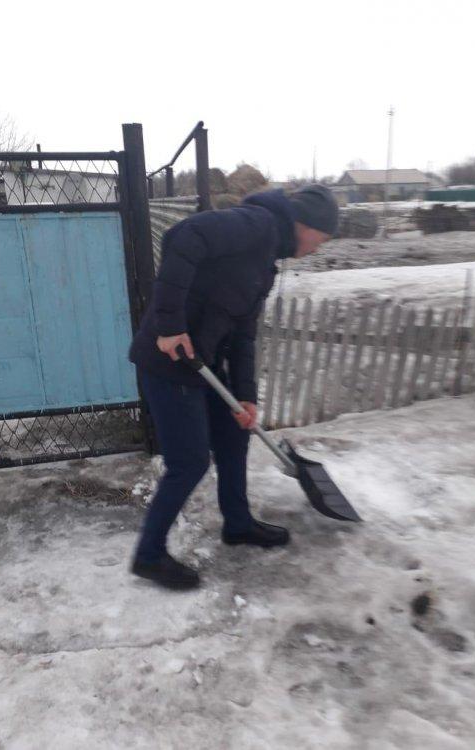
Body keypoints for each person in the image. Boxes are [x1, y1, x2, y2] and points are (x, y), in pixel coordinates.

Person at [128, 184, 338, 590]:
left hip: (201, 361)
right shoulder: (256, 224)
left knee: (233, 432)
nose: (319, 247)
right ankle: (148, 556)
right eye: (322, 238)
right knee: (189, 462)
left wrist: (245, 395)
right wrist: (170, 325)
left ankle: (238, 524)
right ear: (305, 224)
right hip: (168, 360)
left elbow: (243, 335)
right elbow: (183, 237)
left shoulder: (266, 264)